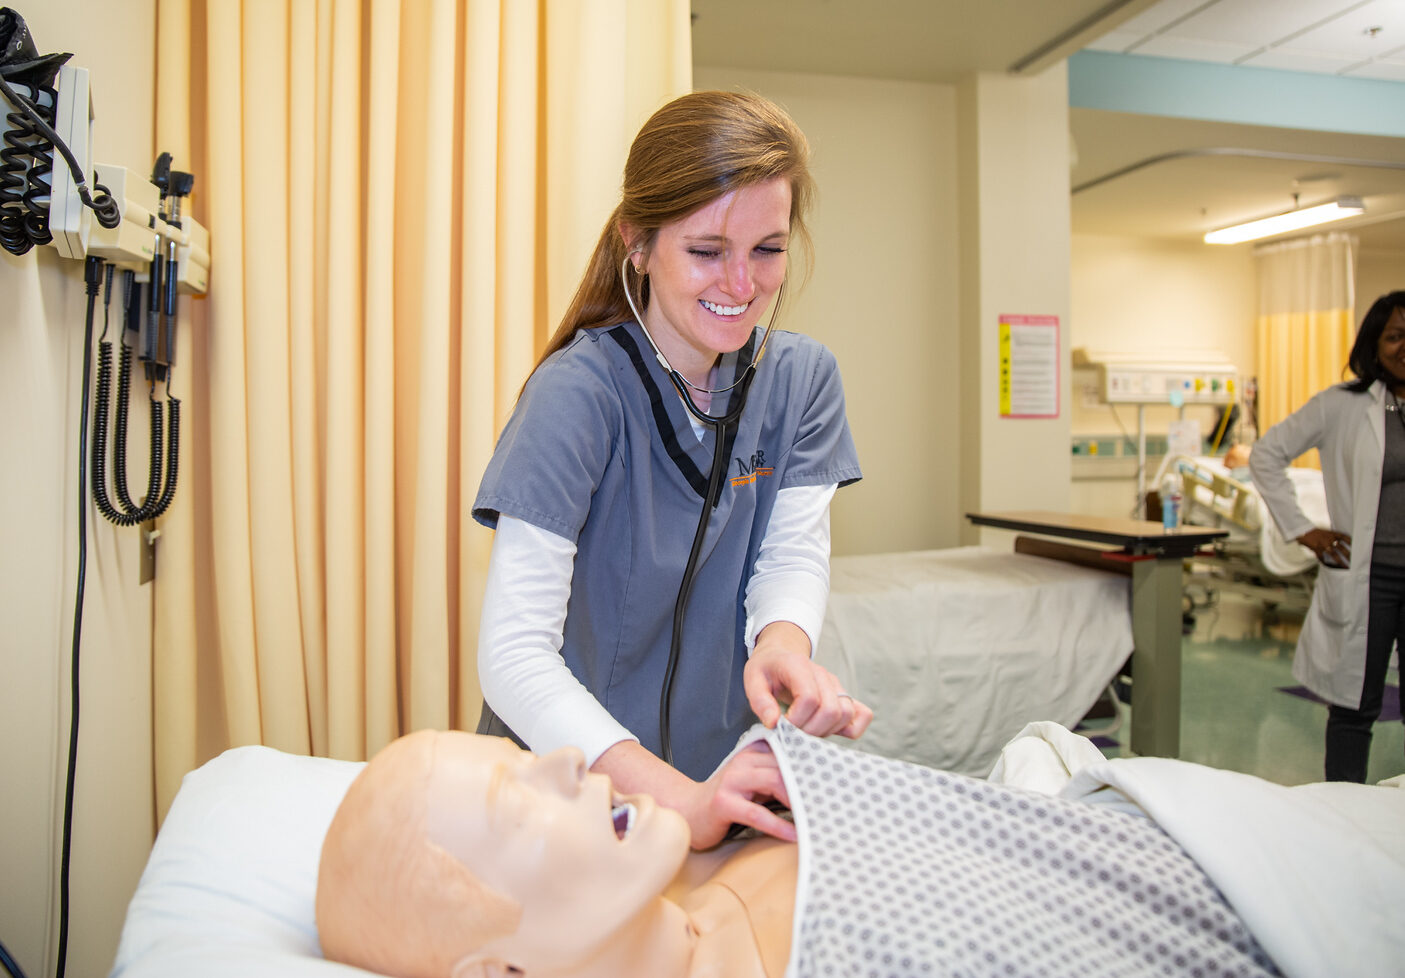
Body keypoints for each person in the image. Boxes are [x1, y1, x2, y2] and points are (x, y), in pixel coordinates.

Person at [471, 90, 870, 849]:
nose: (741, 284)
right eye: (706, 250)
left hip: (718, 782)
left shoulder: (802, 381)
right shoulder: (578, 395)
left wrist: (781, 652)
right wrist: (674, 802)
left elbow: (789, 555)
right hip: (568, 793)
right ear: (638, 242)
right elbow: (513, 655)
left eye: (767, 249)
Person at [315, 727, 1290, 978]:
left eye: (525, 757)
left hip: (1222, 840)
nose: (567, 758)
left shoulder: (702, 847)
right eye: (514, 797)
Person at [1249, 290, 1405, 782]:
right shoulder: (1343, 405)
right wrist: (1302, 529)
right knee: (1354, 706)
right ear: (1373, 344)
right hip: (1369, 577)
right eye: (1395, 336)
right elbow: (1266, 454)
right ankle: (1344, 812)